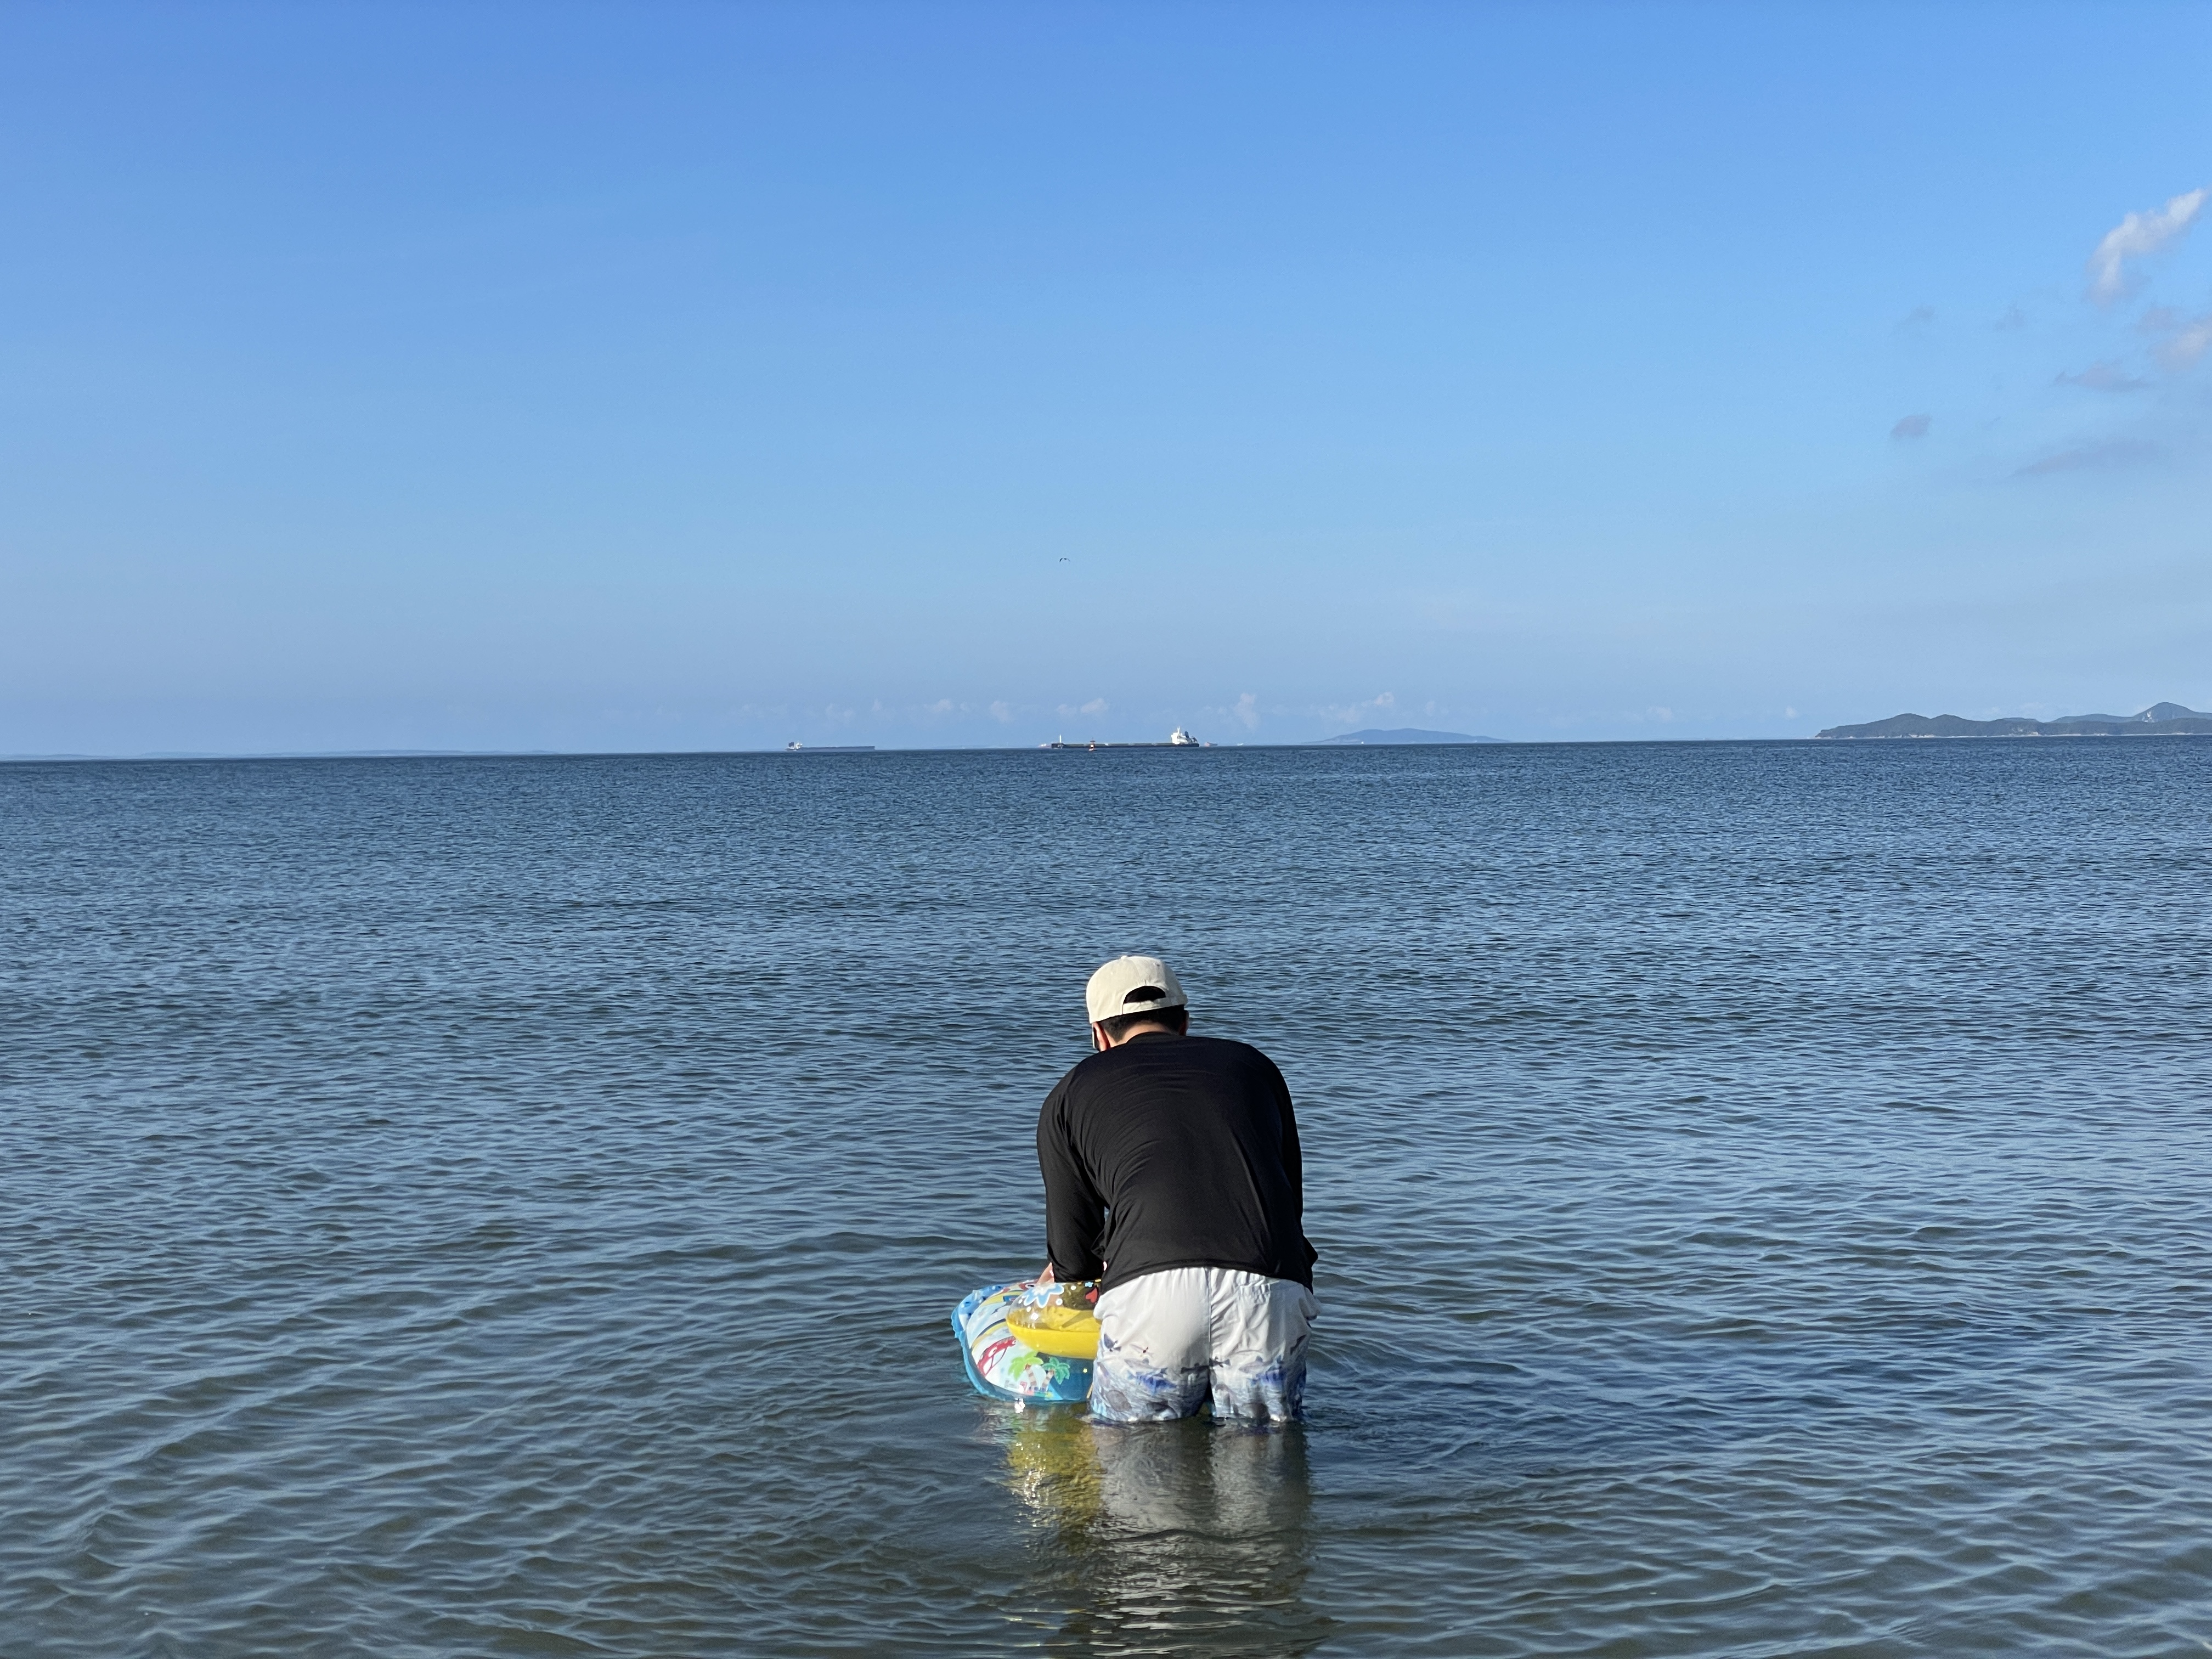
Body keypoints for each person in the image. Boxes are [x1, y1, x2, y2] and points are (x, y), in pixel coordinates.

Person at [1036, 954, 1319, 1423]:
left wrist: (1074, 1275)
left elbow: (1074, 1251)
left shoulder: (1070, 1092)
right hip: (1270, 1285)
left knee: (1133, 1465)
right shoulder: (1255, 1067)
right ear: (1185, 1023)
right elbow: (1289, 1202)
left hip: (1151, 1297)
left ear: (1099, 1035)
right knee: (1264, 1469)